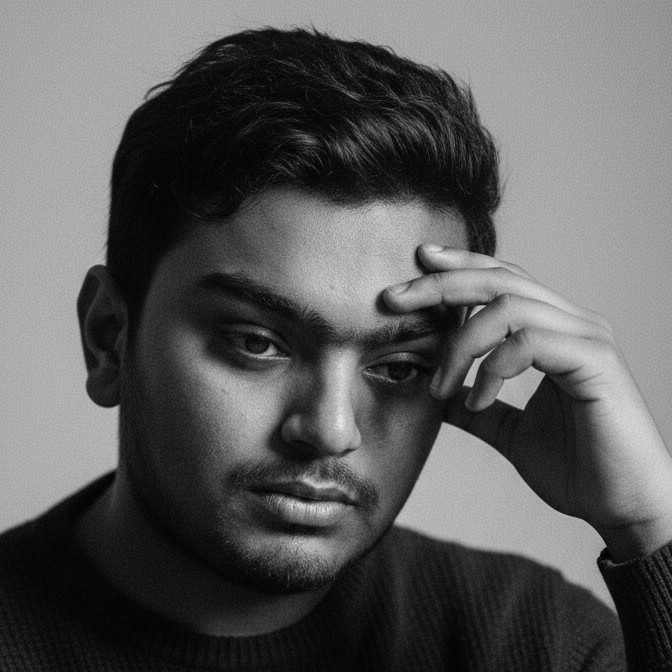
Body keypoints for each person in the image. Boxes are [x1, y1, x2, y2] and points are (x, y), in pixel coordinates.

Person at [1, 26, 670, 671]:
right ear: (109, 339)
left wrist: (650, 526)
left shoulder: (537, 642)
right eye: (257, 343)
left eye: (399, 367)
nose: (330, 430)